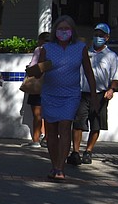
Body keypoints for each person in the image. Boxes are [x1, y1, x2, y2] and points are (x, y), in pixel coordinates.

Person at [38, 15, 98, 180]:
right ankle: (53, 164)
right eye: (60, 28)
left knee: (65, 127)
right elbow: (39, 71)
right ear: (55, 31)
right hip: (50, 94)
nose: (63, 32)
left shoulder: (80, 47)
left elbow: (88, 72)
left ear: (72, 31)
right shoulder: (47, 48)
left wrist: (94, 95)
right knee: (51, 131)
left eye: (67, 29)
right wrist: (34, 71)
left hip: (70, 95)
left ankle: (60, 167)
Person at [68, 23, 118, 165]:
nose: (98, 37)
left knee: (96, 124)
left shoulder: (112, 57)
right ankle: (75, 152)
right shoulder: (85, 52)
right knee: (78, 122)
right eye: (96, 34)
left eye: (101, 35)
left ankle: (89, 151)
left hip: (100, 95)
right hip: (82, 93)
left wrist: (111, 90)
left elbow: (116, 77)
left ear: (107, 37)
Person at [23, 32, 50, 148]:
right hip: (50, 86)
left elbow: (33, 66)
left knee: (37, 114)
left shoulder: (39, 50)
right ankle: (47, 138)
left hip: (38, 86)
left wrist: (28, 68)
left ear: (40, 40)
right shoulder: (56, 51)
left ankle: (35, 140)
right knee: (48, 114)